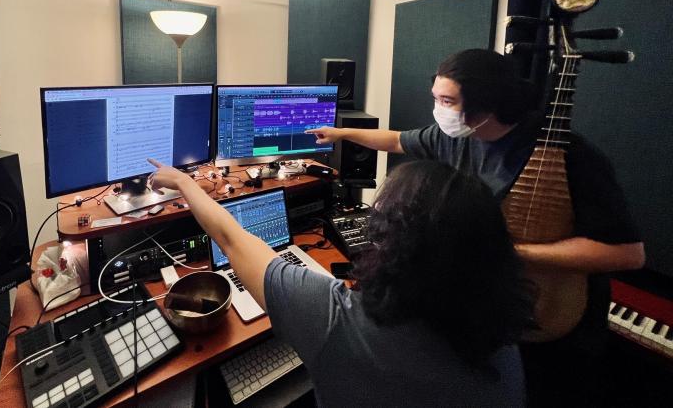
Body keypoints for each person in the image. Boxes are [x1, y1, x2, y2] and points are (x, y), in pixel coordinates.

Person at [306, 48, 645, 406]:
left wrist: (513, 251)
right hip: (488, 316)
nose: (438, 110)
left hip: (554, 323)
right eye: (436, 98)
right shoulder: (455, 136)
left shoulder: (569, 155)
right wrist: (340, 133)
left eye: (447, 101)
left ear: (487, 104)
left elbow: (628, 255)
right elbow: (395, 140)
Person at [149, 157, 533, 407]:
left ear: (389, 245)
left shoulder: (336, 319)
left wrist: (185, 182)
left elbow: (231, 238)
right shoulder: (503, 340)